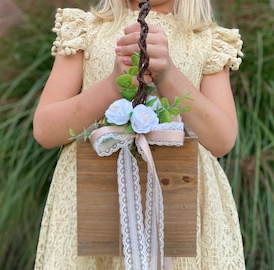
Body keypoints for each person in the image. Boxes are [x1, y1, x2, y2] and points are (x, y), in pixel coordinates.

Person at [33, 0, 245, 269]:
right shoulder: (86, 30)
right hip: (91, 204)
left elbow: (222, 139)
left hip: (180, 206)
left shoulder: (207, 41)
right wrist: (113, 85)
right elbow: (45, 130)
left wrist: (166, 74)